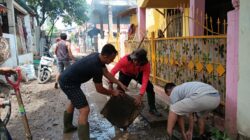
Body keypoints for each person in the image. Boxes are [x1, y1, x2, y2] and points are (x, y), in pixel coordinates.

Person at [58, 43, 127, 139]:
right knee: (85, 110)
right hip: (68, 83)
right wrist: (113, 92)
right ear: (105, 56)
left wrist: (119, 83)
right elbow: (99, 89)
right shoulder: (96, 67)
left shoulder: (97, 56)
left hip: (67, 78)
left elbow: (106, 73)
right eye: (111, 59)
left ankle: (68, 127)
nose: (112, 61)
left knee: (74, 101)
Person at [110, 48, 162, 117]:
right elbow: (113, 71)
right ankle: (117, 110)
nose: (134, 62)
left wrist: (140, 95)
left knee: (149, 87)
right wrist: (110, 83)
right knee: (120, 90)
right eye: (134, 60)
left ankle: (152, 109)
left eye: (137, 61)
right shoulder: (125, 59)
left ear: (142, 61)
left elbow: (145, 80)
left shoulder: (146, 65)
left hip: (138, 74)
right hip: (125, 73)